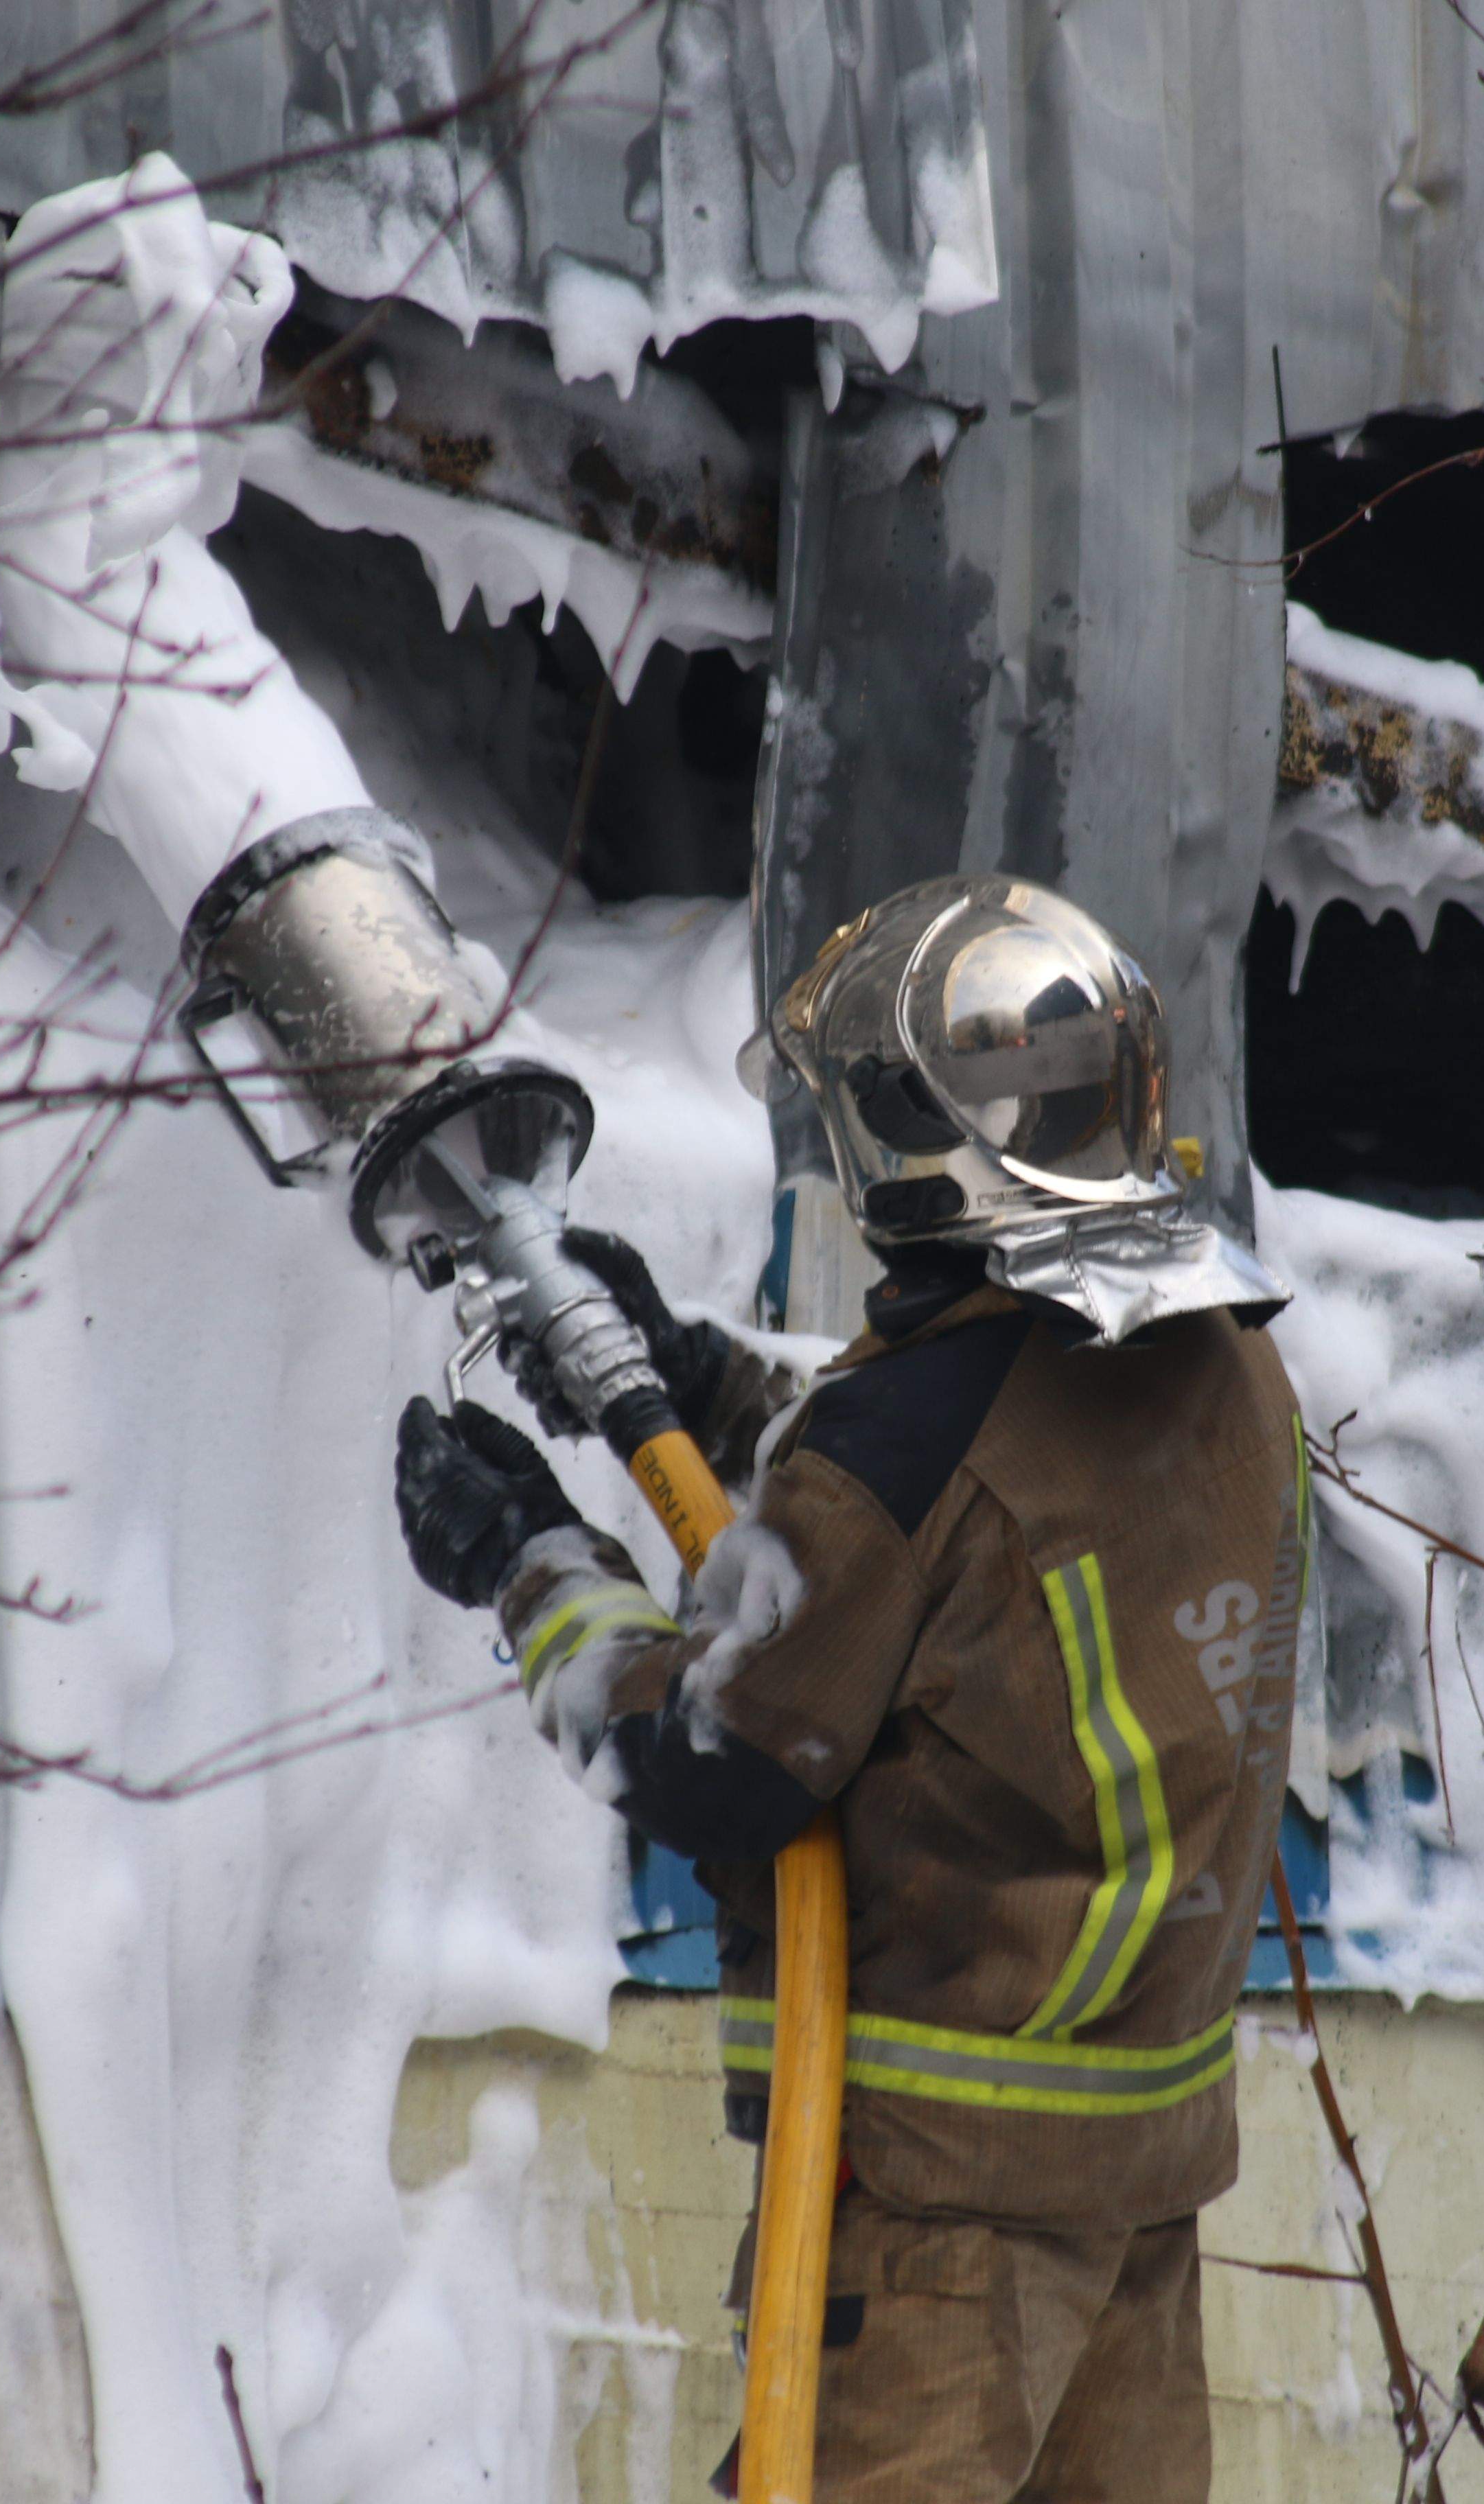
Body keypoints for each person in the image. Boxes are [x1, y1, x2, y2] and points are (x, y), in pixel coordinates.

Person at [394, 874, 1307, 2502]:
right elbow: (963, 1554)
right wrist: (697, 1382)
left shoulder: (912, 1439)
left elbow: (713, 1757)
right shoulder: (1217, 1353)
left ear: (919, 1144)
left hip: (945, 2234)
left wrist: (528, 1559)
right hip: (1141, 2200)